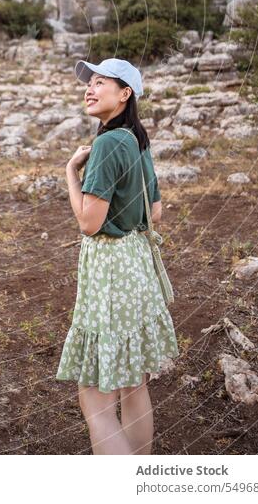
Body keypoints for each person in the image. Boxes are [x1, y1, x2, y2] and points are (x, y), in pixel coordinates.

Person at [55, 57, 180, 455]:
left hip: (109, 270)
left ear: (125, 94)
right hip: (136, 264)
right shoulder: (136, 139)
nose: (89, 89)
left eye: (100, 83)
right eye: (88, 84)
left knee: (94, 396)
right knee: (133, 382)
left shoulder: (107, 143)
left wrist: (71, 174)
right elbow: (155, 212)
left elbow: (89, 223)